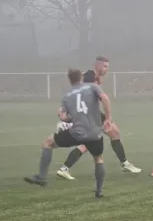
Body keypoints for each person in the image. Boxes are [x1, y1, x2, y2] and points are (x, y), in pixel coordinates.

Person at [24, 68, 111, 198]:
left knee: (48, 143)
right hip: (94, 133)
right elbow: (104, 98)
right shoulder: (92, 87)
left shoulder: (67, 96)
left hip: (77, 133)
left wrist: (67, 116)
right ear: (81, 78)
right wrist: (108, 118)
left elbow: (63, 117)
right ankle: (99, 191)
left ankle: (42, 177)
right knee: (98, 159)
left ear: (69, 80)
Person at [56, 56, 141, 180]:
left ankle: (64, 168)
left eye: (108, 67)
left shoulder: (92, 77)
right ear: (98, 65)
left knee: (97, 139)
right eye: (105, 66)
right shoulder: (90, 76)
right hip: (90, 115)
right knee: (110, 134)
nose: (106, 69)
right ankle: (125, 164)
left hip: (89, 114)